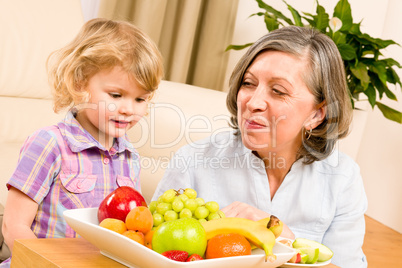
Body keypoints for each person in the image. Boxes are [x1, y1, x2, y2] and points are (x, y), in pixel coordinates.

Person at [153, 26, 367, 267]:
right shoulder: (192, 160)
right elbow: (151, 249)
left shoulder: (343, 178)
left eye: (278, 91)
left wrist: (286, 239)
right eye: (248, 83)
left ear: (316, 115)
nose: (253, 102)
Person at [1, 18, 163, 267]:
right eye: (116, 95)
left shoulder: (130, 156)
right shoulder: (49, 143)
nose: (128, 109)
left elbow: (130, 232)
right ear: (80, 83)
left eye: (140, 99)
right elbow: (14, 225)